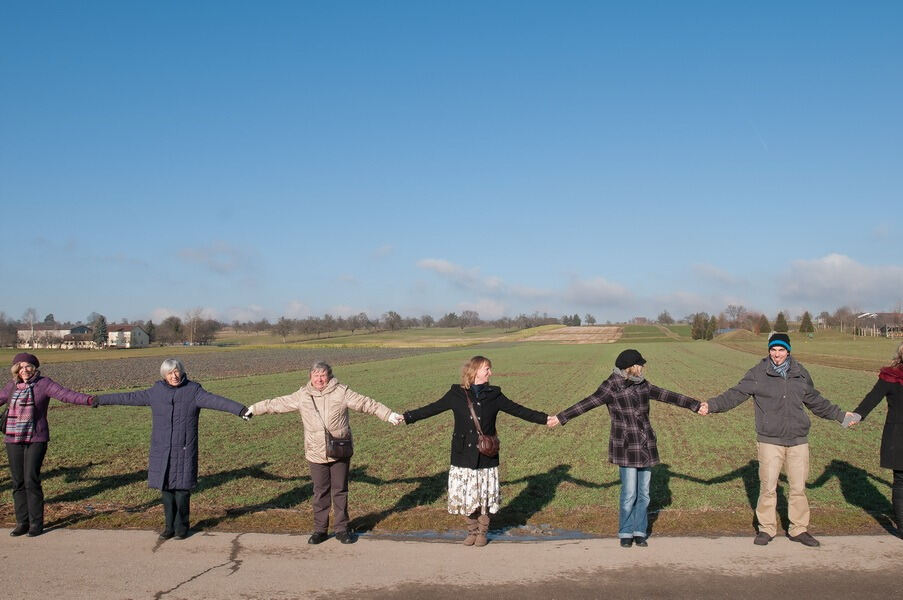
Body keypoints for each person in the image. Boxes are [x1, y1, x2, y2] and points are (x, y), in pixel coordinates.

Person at [699, 332, 855, 548]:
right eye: (773, 350)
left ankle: (799, 529)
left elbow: (816, 401)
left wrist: (841, 416)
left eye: (781, 350)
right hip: (770, 440)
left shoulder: (800, 374)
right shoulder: (758, 373)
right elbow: (735, 394)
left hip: (798, 440)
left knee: (798, 487)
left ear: (788, 351)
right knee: (768, 487)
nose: (776, 354)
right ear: (769, 351)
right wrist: (712, 405)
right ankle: (766, 529)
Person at [548, 349, 702, 548]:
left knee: (644, 493)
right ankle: (626, 532)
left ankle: (640, 531)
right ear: (631, 367)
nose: (644, 368)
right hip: (626, 446)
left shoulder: (644, 385)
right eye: (641, 364)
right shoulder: (611, 386)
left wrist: (695, 405)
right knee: (629, 493)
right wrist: (561, 417)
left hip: (645, 445)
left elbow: (667, 395)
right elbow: (587, 403)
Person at [245, 361, 402, 545]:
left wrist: (388, 414)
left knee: (340, 491)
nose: (319, 379)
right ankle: (320, 530)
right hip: (315, 452)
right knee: (320, 492)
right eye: (315, 375)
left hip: (339, 450)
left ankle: (342, 530)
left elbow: (367, 404)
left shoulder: (341, 392)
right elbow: (277, 404)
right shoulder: (302, 395)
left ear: (329, 376)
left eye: (323, 375)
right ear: (310, 377)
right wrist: (253, 409)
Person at [94, 358, 251, 540]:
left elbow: (216, 401)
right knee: (166, 490)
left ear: (182, 372)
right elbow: (127, 397)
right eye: (170, 373)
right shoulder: (156, 392)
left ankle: (182, 527)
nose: (174, 376)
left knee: (182, 491)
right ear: (164, 375)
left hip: (184, 449)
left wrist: (240, 410)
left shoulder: (193, 391)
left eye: (176, 372)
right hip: (162, 450)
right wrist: (100, 399)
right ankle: (169, 527)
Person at [401, 355, 547, 547]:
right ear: (475, 371)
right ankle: (471, 530)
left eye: (489, 369)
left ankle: (483, 532)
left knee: (483, 497)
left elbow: (519, 410)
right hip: (462, 454)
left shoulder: (495, 395)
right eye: (487, 369)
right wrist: (407, 417)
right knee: (466, 495)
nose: (490, 372)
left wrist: (545, 419)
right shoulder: (456, 394)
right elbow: (432, 408)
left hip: (486, 454)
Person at [1, 353, 95, 537]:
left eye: (28, 366)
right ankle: (22, 522)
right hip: (13, 439)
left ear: (34, 368)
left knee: (31, 479)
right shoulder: (11, 386)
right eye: (20, 367)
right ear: (16, 370)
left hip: (36, 438)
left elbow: (66, 395)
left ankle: (36, 523)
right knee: (18, 481)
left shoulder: (44, 384)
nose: (24, 370)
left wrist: (89, 400)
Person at [850, 342, 903, 536]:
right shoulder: (891, 376)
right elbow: (872, 398)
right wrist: (856, 416)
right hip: (899, 436)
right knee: (901, 481)